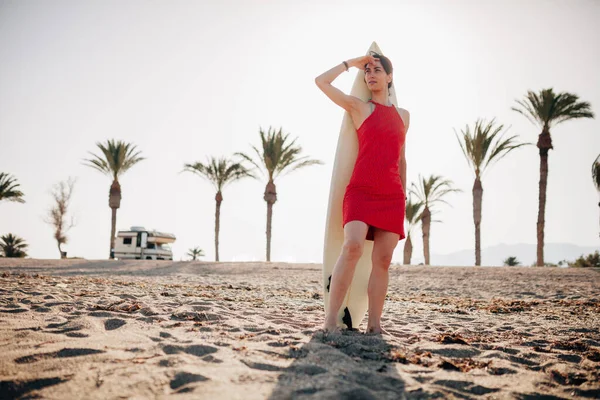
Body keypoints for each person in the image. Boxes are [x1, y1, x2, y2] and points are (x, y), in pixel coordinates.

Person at [315, 51, 410, 334]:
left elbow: (402, 158)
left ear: (389, 77)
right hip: (360, 190)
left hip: (391, 195)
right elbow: (321, 82)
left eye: (377, 70)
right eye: (367, 70)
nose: (370, 74)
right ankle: (330, 319)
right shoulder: (359, 108)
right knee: (352, 247)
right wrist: (350, 64)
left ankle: (374, 324)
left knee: (382, 260)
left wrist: (403, 196)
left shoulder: (403, 116)